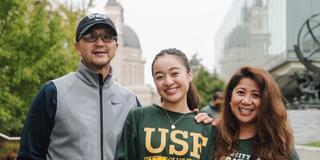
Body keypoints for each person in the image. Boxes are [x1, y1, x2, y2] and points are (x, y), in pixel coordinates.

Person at [17, 13, 141, 160]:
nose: (100, 43)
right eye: (90, 36)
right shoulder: (53, 93)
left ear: (116, 46)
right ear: (77, 47)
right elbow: (29, 154)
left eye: (107, 36)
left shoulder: (131, 102)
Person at [115, 48, 217, 160]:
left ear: (189, 75)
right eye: (159, 77)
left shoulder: (206, 126)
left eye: (174, 73)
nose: (168, 82)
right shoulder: (138, 117)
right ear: (154, 81)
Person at [215, 66, 300, 160]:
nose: (246, 101)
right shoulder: (213, 134)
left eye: (255, 95)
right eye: (241, 92)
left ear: (267, 102)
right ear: (230, 96)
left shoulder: (280, 145)